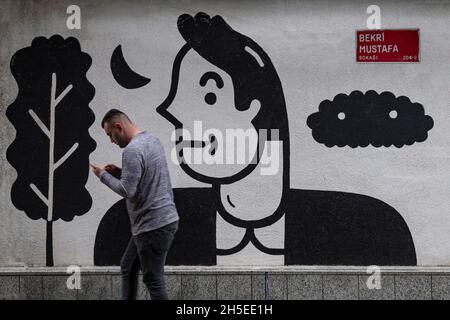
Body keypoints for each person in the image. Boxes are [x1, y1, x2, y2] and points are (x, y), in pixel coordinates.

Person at [91, 109, 179, 300]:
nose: (111, 141)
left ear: (119, 127)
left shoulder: (131, 150)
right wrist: (118, 172)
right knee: (128, 266)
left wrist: (103, 176)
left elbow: (126, 190)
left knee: (153, 279)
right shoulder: (152, 140)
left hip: (152, 225)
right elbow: (144, 176)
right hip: (162, 221)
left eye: (110, 135)